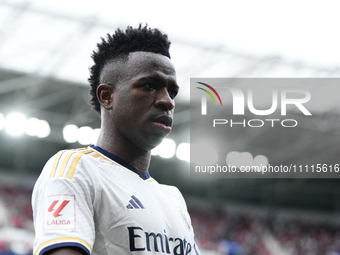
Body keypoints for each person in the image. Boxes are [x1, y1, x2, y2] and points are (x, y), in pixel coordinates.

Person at [32, 24, 200, 255]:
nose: (167, 101)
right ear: (107, 96)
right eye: (150, 86)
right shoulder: (75, 170)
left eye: (172, 92)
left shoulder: (174, 199)